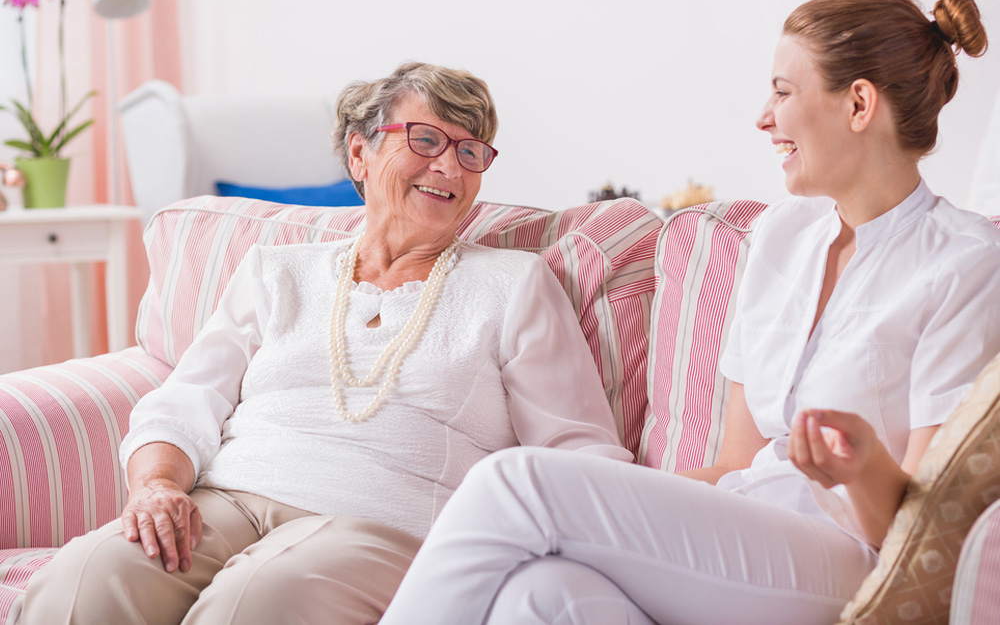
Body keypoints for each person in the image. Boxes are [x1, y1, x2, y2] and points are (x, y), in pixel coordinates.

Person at [379, 0, 1000, 625]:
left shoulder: (965, 263)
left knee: (514, 484)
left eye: (783, 92)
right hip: (746, 525)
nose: (764, 117)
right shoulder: (780, 237)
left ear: (859, 104)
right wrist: (627, 509)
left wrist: (861, 468)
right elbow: (733, 466)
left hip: (854, 553)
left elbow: (927, 535)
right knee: (540, 593)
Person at [21, 62, 631, 625]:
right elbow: (186, 400)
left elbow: (574, 446)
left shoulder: (512, 283)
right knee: (84, 581)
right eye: (426, 140)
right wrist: (155, 485)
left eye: (471, 152)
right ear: (360, 152)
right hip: (228, 499)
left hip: (383, 522)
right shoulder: (276, 270)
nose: (450, 166)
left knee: (258, 599)